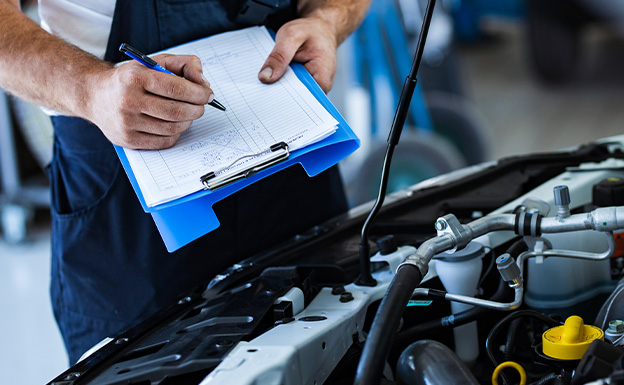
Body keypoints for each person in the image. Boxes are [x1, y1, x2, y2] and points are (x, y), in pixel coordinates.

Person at [0, 0, 371, 362]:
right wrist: (89, 88)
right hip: (129, 202)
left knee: (337, 370)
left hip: (292, 165)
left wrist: (327, 19)